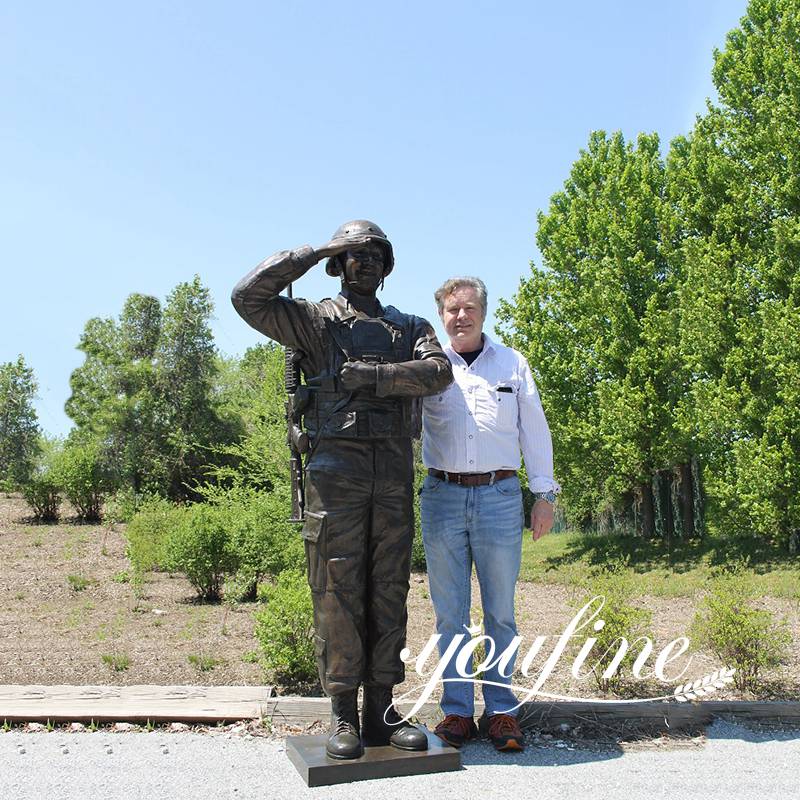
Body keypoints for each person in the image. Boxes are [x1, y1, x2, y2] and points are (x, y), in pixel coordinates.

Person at [231, 220, 452, 760]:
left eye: (375, 252)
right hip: (335, 470)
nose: (366, 260)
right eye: (354, 254)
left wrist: (376, 380)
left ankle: (381, 710)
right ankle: (342, 715)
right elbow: (247, 296)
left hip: (394, 470)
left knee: (388, 587)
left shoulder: (409, 325)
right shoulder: (312, 322)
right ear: (339, 264)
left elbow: (438, 371)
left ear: (387, 264)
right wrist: (315, 249)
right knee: (336, 589)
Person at [420, 276, 559, 752]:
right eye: (452, 309)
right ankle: (457, 713)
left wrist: (544, 494)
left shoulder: (512, 364)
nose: (461, 316)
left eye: (469, 307)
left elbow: (535, 432)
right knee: (449, 615)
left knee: (500, 612)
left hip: (500, 497)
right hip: (441, 497)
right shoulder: (429, 366)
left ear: (483, 312)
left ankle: (501, 711)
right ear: (442, 315)